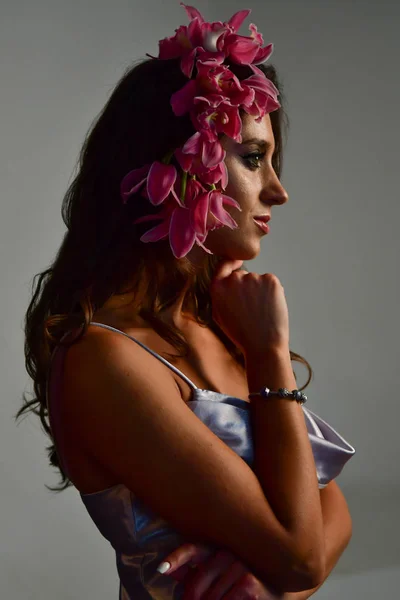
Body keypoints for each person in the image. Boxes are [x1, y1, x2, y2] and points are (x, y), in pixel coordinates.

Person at [16, 4, 356, 599]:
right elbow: (302, 558)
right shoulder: (103, 358)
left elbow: (334, 518)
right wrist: (270, 352)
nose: (278, 189)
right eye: (253, 158)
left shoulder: (217, 325)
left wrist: (265, 578)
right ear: (178, 167)